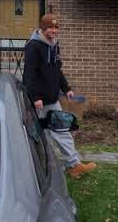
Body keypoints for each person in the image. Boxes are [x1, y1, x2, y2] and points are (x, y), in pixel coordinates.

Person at [23, 13, 97, 178]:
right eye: (51, 27)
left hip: (52, 98)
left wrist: (66, 88)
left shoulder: (54, 45)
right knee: (41, 135)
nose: (54, 31)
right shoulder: (33, 46)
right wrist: (35, 97)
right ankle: (44, 166)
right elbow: (30, 74)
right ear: (43, 28)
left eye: (56, 28)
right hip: (40, 101)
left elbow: (57, 70)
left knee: (62, 132)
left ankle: (73, 165)